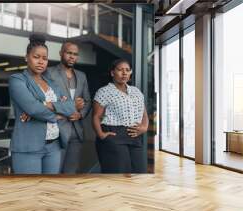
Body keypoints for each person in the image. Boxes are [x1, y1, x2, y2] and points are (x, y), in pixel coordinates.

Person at [8, 34, 76, 174]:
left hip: (54, 146)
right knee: (30, 192)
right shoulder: (17, 80)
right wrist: (57, 114)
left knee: (48, 191)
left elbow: (70, 106)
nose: (41, 62)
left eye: (44, 58)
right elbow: (32, 108)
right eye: (36, 57)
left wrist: (43, 103)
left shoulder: (51, 83)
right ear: (27, 57)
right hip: (28, 146)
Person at [92, 59, 148, 173]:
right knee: (118, 174)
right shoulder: (104, 91)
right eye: (120, 70)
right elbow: (96, 117)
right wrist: (101, 135)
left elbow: (144, 113)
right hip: (114, 135)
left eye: (127, 70)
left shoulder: (136, 91)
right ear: (112, 73)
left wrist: (145, 127)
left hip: (135, 137)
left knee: (140, 172)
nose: (124, 73)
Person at [46, 40, 91, 173]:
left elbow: (87, 101)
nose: (72, 57)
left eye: (75, 54)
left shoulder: (82, 76)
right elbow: (45, 101)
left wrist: (80, 114)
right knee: (54, 172)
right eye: (69, 53)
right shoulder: (49, 73)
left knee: (71, 173)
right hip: (56, 132)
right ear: (61, 53)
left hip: (76, 133)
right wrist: (70, 107)